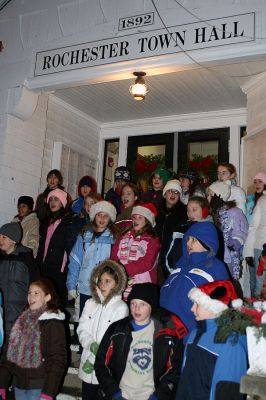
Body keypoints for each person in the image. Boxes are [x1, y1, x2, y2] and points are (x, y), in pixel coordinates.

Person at [95, 283, 185, 400]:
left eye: (143, 304)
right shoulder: (117, 330)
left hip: (150, 396)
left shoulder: (167, 333)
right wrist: (114, 392)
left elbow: (174, 369)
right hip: (121, 395)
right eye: (133, 303)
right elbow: (101, 363)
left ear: (152, 306)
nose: (136, 308)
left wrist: (158, 396)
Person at [175, 280, 248, 400]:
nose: (192, 309)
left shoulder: (230, 343)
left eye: (197, 304)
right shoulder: (194, 334)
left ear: (213, 307)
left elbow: (228, 392)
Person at [0, 278, 67, 400]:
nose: (31, 297)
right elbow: (9, 355)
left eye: (36, 293)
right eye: (29, 293)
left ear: (47, 297)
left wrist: (48, 392)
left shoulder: (53, 324)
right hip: (19, 385)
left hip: (40, 387)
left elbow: (58, 360)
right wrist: (2, 383)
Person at [160, 221, 229, 336]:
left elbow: (226, 300)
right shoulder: (179, 266)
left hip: (193, 332)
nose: (189, 243)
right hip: (167, 328)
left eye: (194, 240)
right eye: (188, 239)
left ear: (207, 242)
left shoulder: (215, 266)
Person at [77, 260, 129, 399]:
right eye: (100, 280)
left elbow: (115, 340)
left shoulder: (121, 308)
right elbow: (82, 328)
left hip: (106, 370)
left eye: (108, 281)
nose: (102, 285)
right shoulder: (90, 303)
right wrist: (90, 345)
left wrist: (97, 356)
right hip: (87, 365)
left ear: (117, 284)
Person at [67, 200, 118, 316]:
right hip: (85, 286)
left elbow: (117, 265)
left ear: (110, 218)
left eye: (106, 216)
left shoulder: (114, 238)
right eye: (99, 215)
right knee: (84, 321)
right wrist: (71, 284)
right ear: (94, 216)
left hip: (106, 290)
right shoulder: (84, 235)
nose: (102, 218)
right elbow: (75, 260)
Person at [36, 188, 77, 306]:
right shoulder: (46, 222)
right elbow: (41, 247)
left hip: (59, 270)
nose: (53, 202)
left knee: (56, 305)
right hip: (44, 269)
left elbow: (70, 249)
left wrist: (66, 271)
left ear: (62, 203)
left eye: (56, 199)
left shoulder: (68, 222)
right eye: (51, 200)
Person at [111, 203, 160, 299]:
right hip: (121, 279)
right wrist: (117, 269)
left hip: (142, 282)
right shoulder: (122, 236)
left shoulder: (152, 240)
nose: (136, 220)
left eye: (140, 217)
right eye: (134, 217)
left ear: (147, 220)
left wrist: (124, 270)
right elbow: (114, 256)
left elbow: (147, 262)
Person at [0, 222, 39, 335]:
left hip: (19, 311)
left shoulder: (26, 260)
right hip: (1, 310)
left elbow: (36, 286)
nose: (0, 240)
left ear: (13, 240)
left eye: (4, 237)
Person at [208, 181, 248, 281]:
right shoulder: (210, 213)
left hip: (228, 256)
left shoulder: (234, 212)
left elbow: (241, 230)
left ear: (219, 196)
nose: (207, 197)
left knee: (229, 283)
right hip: (214, 256)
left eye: (210, 195)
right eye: (207, 195)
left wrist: (236, 241)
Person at [155, 179, 187, 280]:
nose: (173, 194)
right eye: (170, 191)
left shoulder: (184, 213)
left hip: (173, 256)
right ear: (164, 194)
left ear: (179, 196)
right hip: (156, 253)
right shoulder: (157, 210)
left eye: (176, 192)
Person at [243, 188, 266, 298]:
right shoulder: (263, 200)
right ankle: (256, 312)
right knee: (260, 285)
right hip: (261, 247)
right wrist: (248, 252)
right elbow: (253, 227)